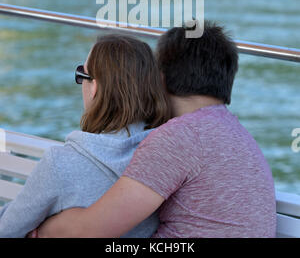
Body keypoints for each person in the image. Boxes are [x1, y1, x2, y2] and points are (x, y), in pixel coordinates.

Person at [34, 20, 277, 238]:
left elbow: (89, 231)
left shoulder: (179, 138)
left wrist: (42, 230)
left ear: (159, 78)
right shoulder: (240, 136)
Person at [0, 33, 171, 238]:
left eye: (82, 75)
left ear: (95, 88)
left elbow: (7, 230)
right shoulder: (168, 156)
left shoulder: (61, 165)